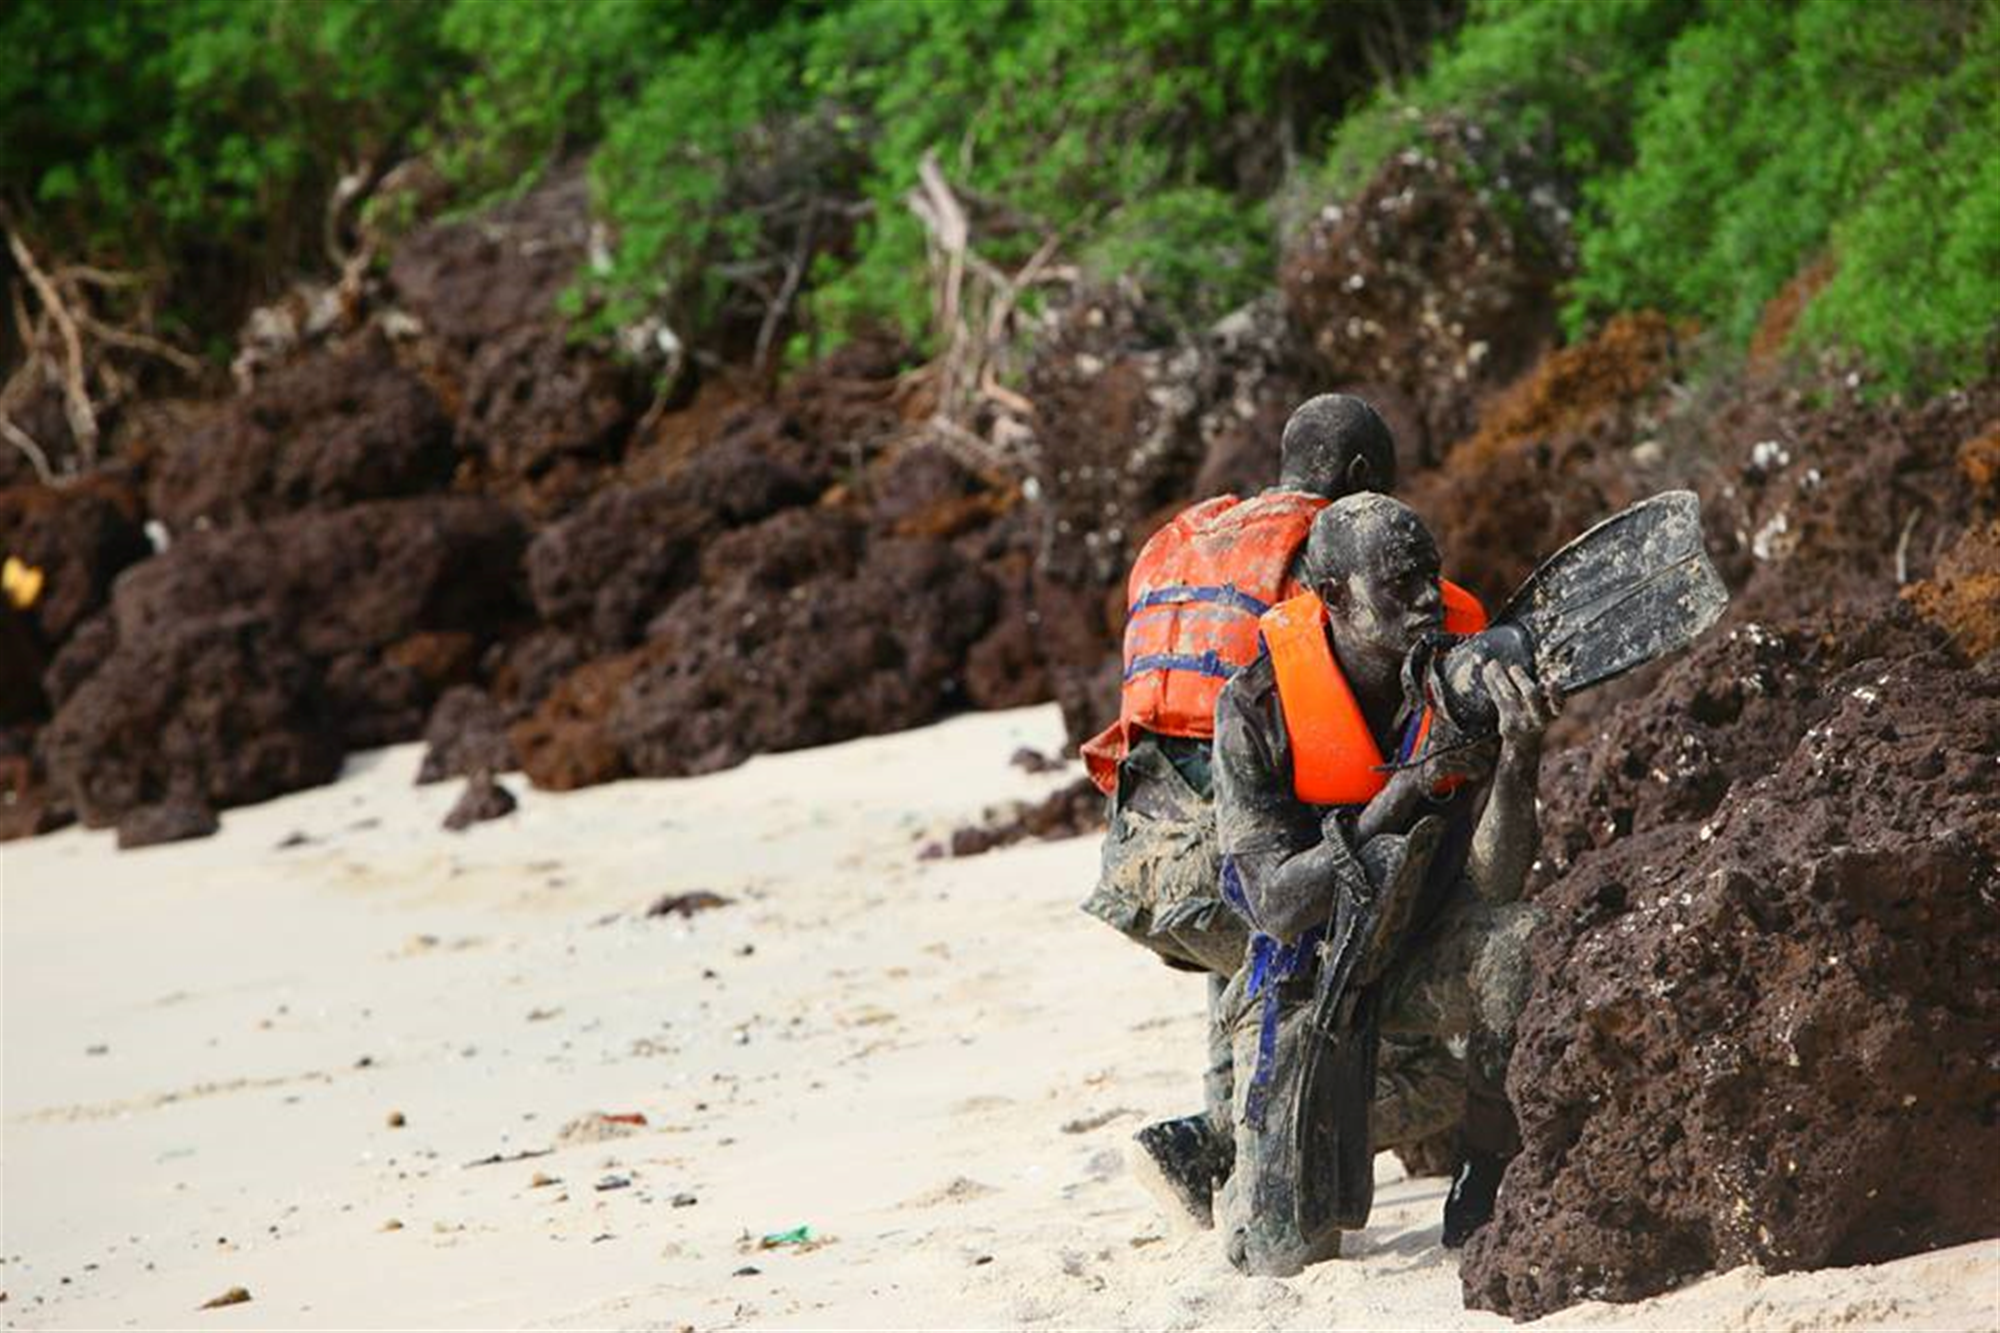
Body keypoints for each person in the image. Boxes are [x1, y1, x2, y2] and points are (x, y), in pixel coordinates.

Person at [1077, 395, 1484, 1225]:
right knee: (1371, 1011)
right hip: (1219, 862)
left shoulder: (1190, 537)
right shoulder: (1319, 571)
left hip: (1132, 857)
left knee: (1255, 920)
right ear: (1362, 481)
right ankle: (1219, 1144)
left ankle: (1211, 1143)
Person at [1209, 493, 1558, 1276]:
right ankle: (1234, 1154)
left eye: (1433, 576)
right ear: (1332, 598)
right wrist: (1401, 794)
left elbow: (1495, 882)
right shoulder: (1254, 711)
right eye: (1402, 585)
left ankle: (1485, 1171)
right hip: (1305, 986)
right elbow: (1276, 902)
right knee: (1281, 1253)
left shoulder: (1455, 682)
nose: (1431, 598)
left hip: (1416, 952)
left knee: (1522, 943)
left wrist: (1517, 762)